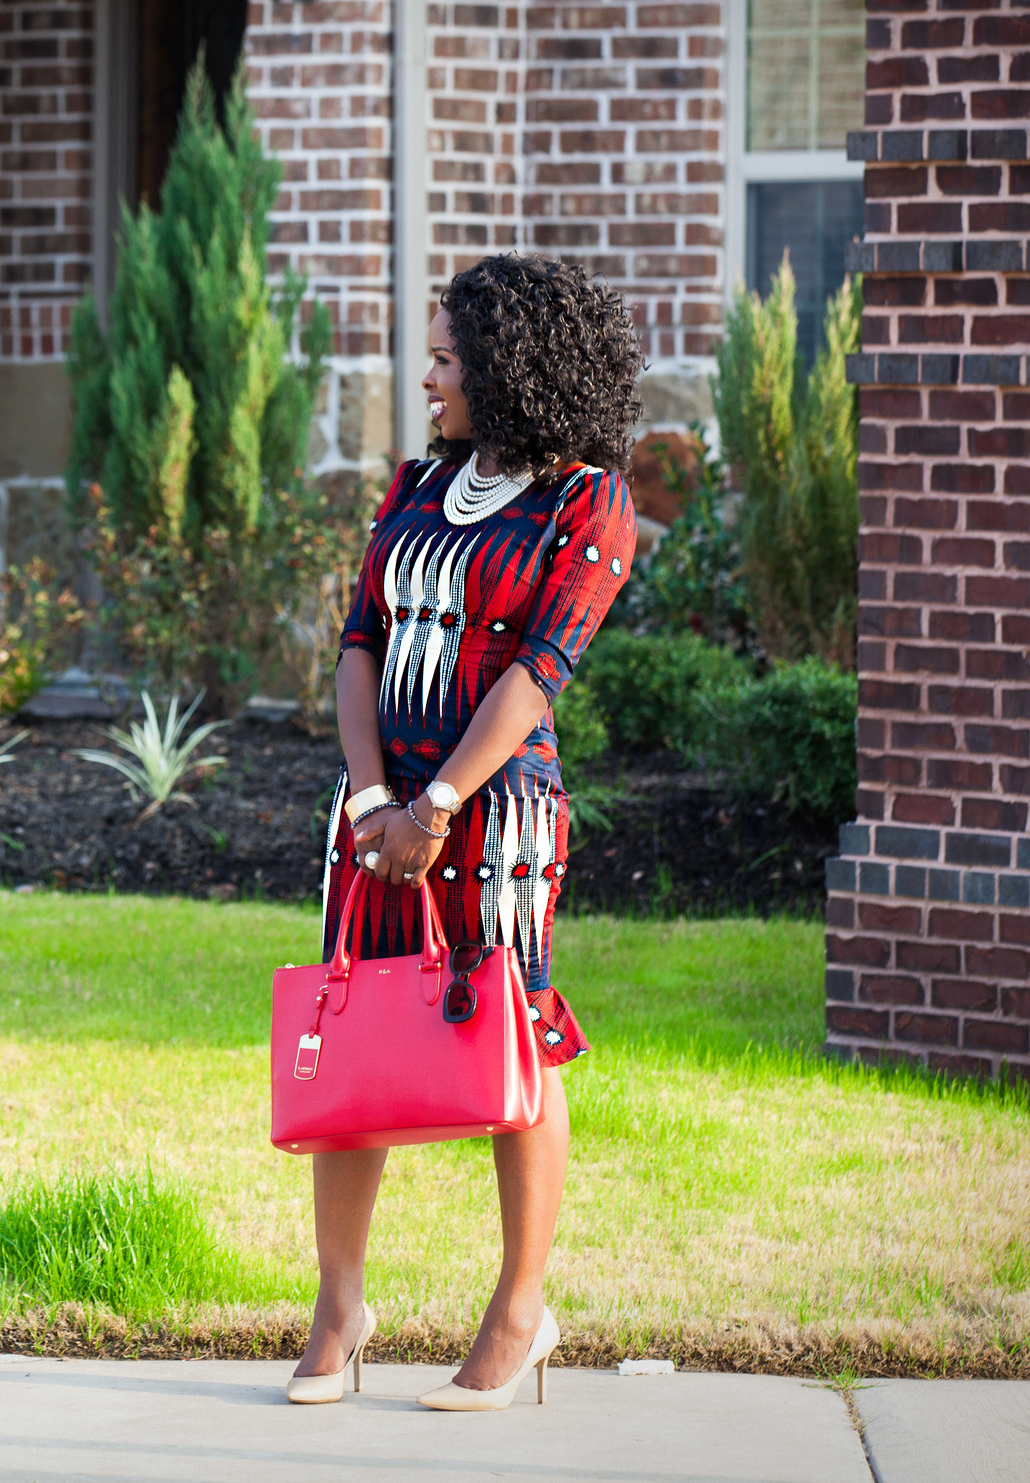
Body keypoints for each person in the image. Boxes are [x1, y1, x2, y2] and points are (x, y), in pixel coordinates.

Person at [286, 252, 641, 1412]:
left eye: (445, 358)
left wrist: (436, 802)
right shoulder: (410, 486)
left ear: (507, 366)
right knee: (356, 1042)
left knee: (511, 1040)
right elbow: (357, 642)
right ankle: (340, 1308)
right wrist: (371, 796)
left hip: (494, 817)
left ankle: (519, 1310)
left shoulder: (586, 503)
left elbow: (539, 672)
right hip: (373, 811)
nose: (427, 377)